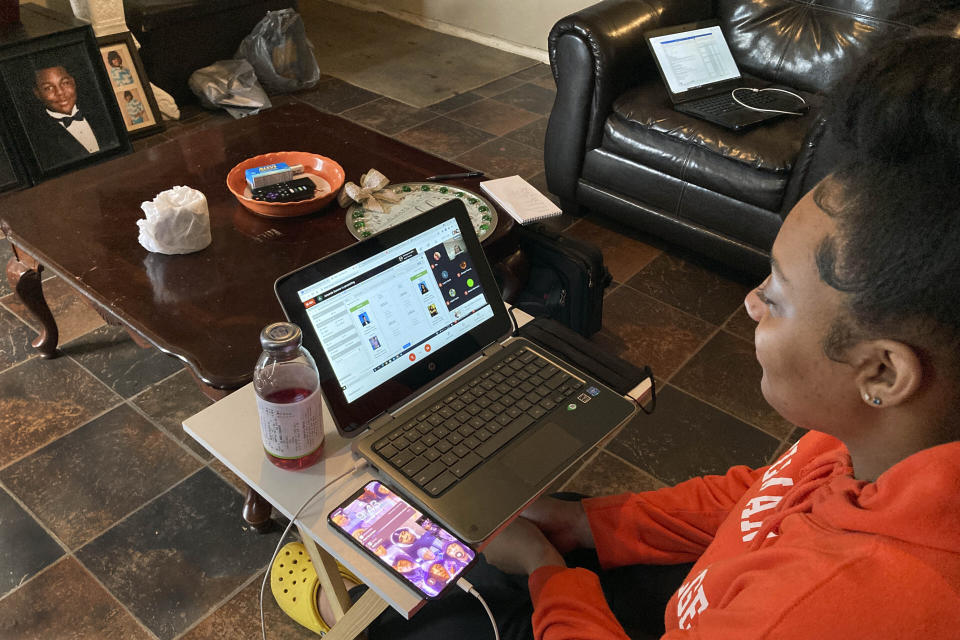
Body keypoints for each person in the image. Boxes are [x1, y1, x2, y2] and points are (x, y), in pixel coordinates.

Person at [293, 35, 960, 639]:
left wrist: (549, 573)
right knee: (473, 532)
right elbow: (758, 498)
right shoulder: (878, 437)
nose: (751, 302)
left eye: (777, 296)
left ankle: (369, 611)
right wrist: (586, 526)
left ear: (883, 373)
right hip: (697, 582)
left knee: (416, 618)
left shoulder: (829, 610)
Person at [28, 64, 110, 169]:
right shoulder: (37, 138)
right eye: (48, 88)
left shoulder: (102, 113)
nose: (60, 92)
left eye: (65, 83)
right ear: (37, 93)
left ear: (73, 82)